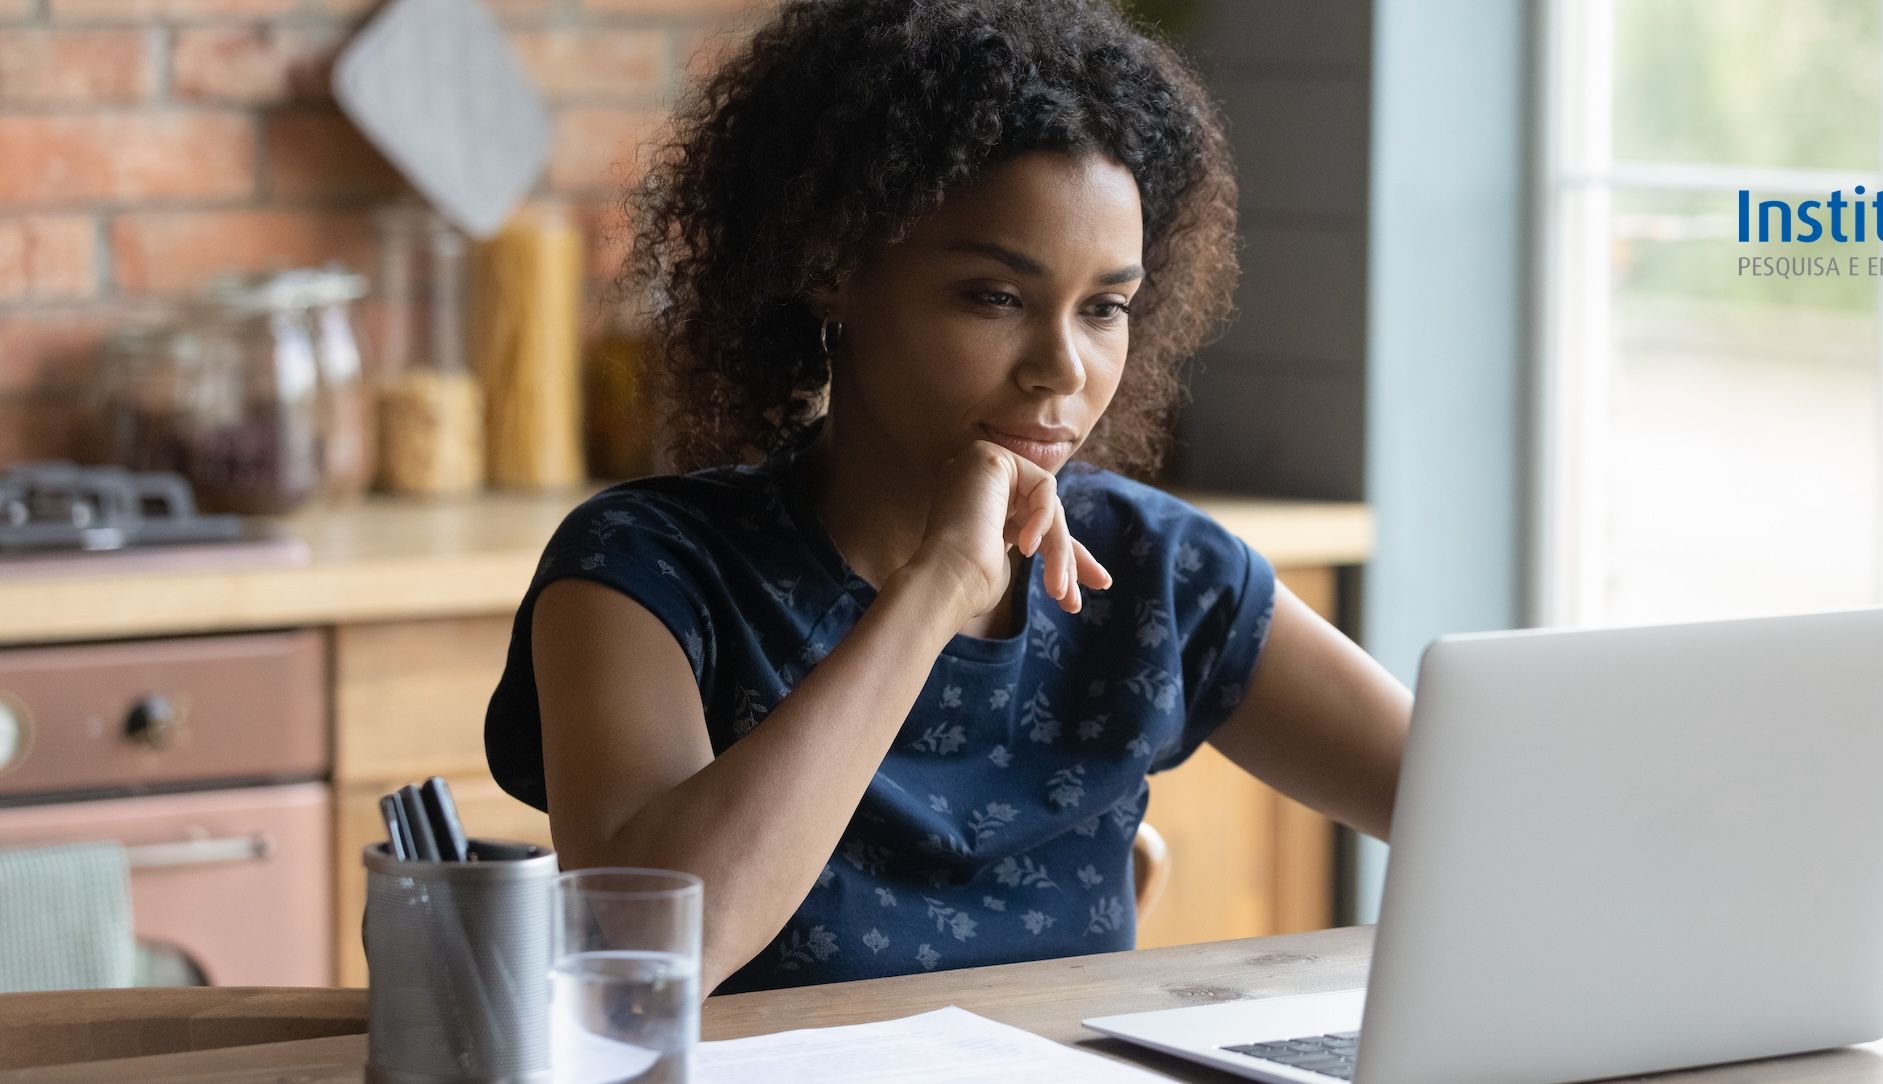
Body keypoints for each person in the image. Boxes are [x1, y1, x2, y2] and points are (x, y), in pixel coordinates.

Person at [484, 0, 1410, 998]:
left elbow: (1490, 811)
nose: (1062, 368)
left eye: (1103, 308)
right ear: (832, 269)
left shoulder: (1156, 569)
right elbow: (647, 952)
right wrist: (940, 584)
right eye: (993, 298)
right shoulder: (642, 570)